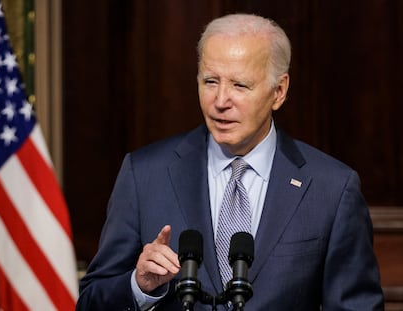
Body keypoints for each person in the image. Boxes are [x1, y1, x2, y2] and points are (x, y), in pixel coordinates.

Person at [76, 14, 384, 310]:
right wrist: (139, 286)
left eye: (239, 85)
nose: (221, 100)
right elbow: (91, 301)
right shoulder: (144, 175)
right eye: (210, 81)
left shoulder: (331, 188)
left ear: (279, 91)